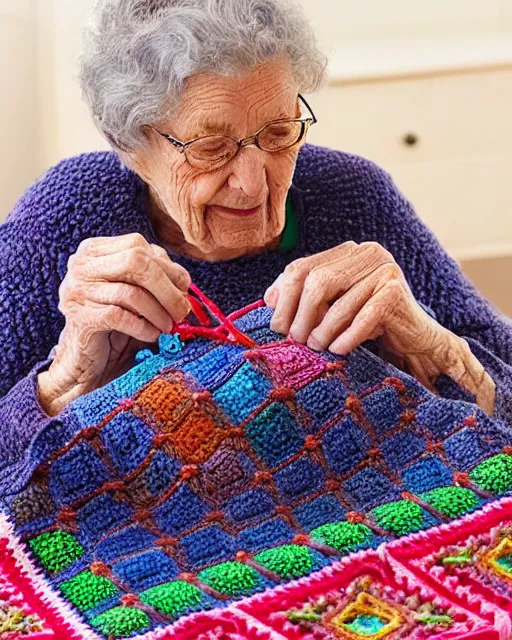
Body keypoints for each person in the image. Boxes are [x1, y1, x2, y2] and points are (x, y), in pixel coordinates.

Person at [0, 0, 511, 482]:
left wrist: (429, 344)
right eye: (211, 147)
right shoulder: (66, 215)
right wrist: (63, 383)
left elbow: (501, 395)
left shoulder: (353, 198)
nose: (253, 181)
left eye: (278, 132)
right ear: (130, 144)